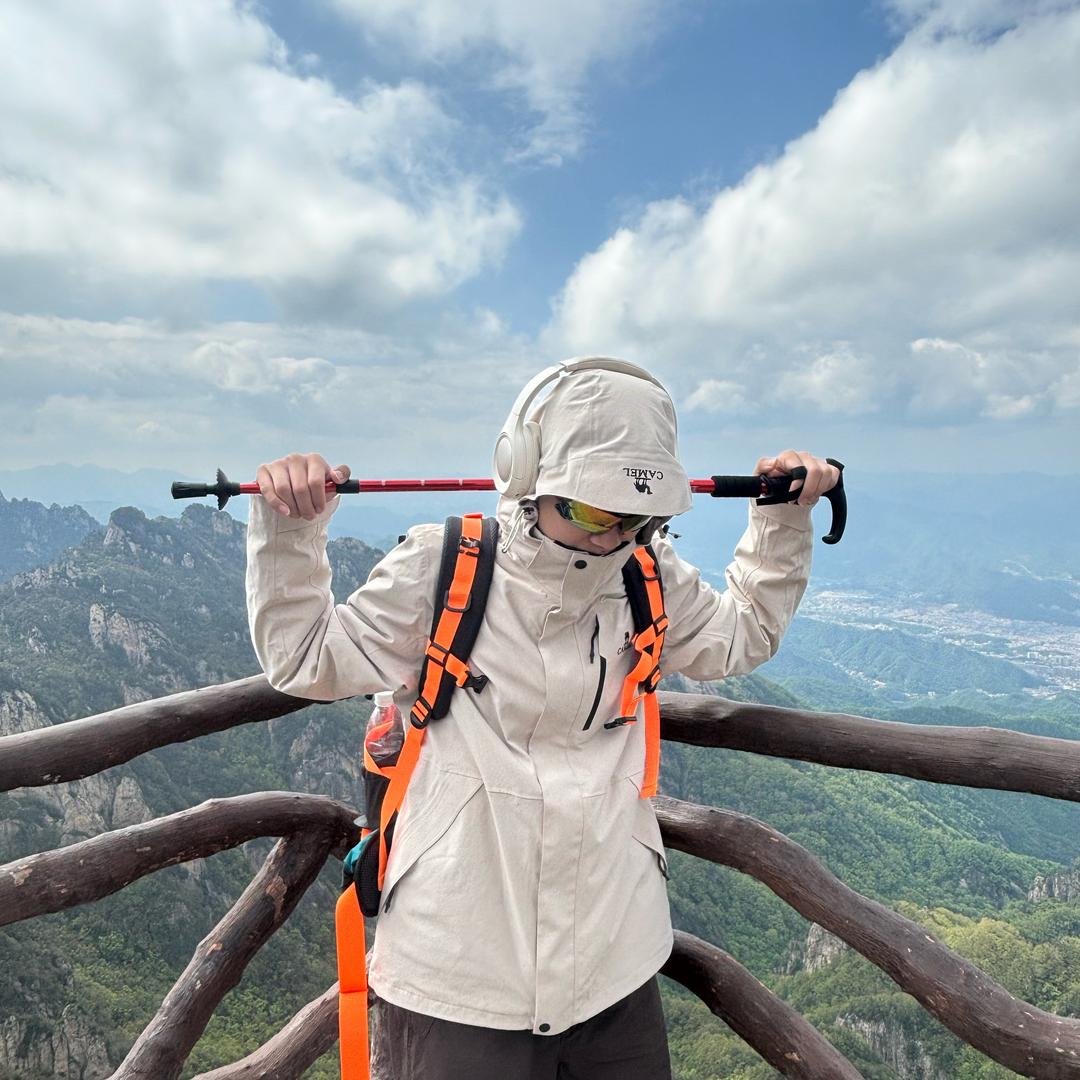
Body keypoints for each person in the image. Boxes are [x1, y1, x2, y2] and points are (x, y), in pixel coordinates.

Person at [245, 358, 839, 1079]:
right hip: (458, 981)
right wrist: (290, 532)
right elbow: (307, 659)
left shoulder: (645, 574)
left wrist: (781, 520)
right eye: (593, 509)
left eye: (639, 515)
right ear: (526, 474)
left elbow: (739, 636)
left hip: (616, 963)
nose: (612, 535)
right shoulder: (445, 566)